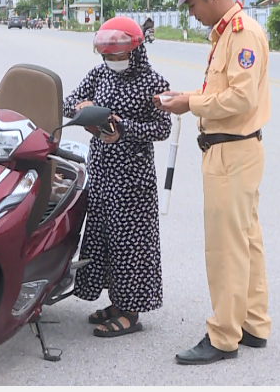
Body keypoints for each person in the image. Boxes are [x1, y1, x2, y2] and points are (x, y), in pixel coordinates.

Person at [153, 0, 272, 366]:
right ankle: (254, 324)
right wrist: (185, 97)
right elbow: (222, 91)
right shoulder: (225, 35)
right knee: (247, 241)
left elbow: (241, 100)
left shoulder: (243, 36)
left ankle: (223, 336)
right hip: (232, 149)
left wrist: (191, 103)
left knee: (226, 248)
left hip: (232, 152)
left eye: (192, 5)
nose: (190, 13)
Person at [63, 17, 172, 338]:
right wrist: (84, 110)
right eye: (107, 56)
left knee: (130, 245)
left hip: (133, 180)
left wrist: (124, 128)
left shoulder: (153, 83)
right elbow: (70, 102)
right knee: (104, 238)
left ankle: (131, 313)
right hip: (100, 173)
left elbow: (162, 128)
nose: (112, 62)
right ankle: (116, 302)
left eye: (117, 56)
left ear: (135, 52)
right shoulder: (99, 75)